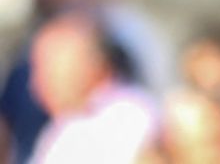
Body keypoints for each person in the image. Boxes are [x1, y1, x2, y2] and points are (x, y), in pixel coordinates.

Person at [23, 12, 158, 163]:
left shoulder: (127, 116)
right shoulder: (64, 124)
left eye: (45, 68)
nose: (35, 83)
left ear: (87, 66)